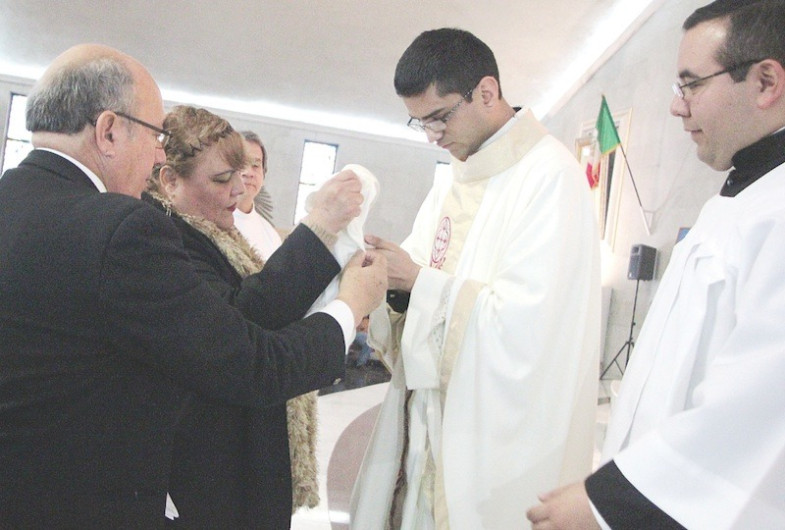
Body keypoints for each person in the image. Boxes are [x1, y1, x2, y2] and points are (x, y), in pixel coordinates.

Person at [0, 43, 386, 528]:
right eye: (156, 134)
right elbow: (251, 364)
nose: (160, 150)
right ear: (108, 130)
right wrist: (351, 306)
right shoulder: (122, 229)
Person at [526, 1, 785, 528]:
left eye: (691, 84)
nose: (676, 107)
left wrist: (611, 503)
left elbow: (759, 408)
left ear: (765, 83)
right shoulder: (742, 199)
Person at [351, 28, 601, 529]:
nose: (432, 137)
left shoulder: (551, 176)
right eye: (418, 123)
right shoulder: (453, 178)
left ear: (486, 92)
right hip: (427, 424)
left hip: (490, 444)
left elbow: (531, 331)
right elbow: (417, 274)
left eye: (439, 117)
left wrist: (420, 283)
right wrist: (385, 286)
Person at [144, 105, 359, 527]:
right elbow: (247, 317)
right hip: (208, 464)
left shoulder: (211, 229)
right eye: (222, 180)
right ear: (170, 180)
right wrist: (320, 236)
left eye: (241, 178)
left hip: (234, 451)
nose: (237, 194)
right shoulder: (164, 237)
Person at [233, 130, 284, 260]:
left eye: (256, 165)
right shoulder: (209, 223)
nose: (249, 172)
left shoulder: (271, 236)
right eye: (242, 164)